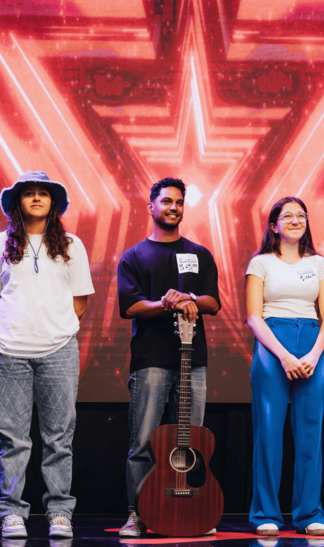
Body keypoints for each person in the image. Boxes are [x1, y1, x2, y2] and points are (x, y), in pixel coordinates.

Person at [0, 170, 95, 539]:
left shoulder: (71, 244)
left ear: (53, 203)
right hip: (8, 351)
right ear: (18, 201)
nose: (35, 198)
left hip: (59, 349)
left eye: (42, 194)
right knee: (12, 438)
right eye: (28, 193)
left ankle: (59, 511)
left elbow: (79, 300)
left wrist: (53, 327)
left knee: (58, 436)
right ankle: (12, 513)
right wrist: (20, 326)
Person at [117, 177, 221, 537]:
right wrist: (165, 302)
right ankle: (137, 513)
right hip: (150, 361)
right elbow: (129, 307)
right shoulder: (134, 256)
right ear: (151, 207)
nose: (173, 207)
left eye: (179, 202)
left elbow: (212, 302)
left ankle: (191, 509)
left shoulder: (200, 253)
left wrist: (189, 298)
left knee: (190, 441)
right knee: (144, 442)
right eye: (166, 202)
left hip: (194, 361)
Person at [246, 197, 324, 537]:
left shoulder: (319, 263)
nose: (296, 220)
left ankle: (309, 512)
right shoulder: (261, 263)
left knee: (310, 433)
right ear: (274, 225)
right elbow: (254, 316)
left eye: (302, 215)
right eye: (288, 216)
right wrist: (283, 355)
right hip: (273, 344)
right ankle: (265, 513)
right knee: (269, 432)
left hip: (312, 344)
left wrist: (313, 354)